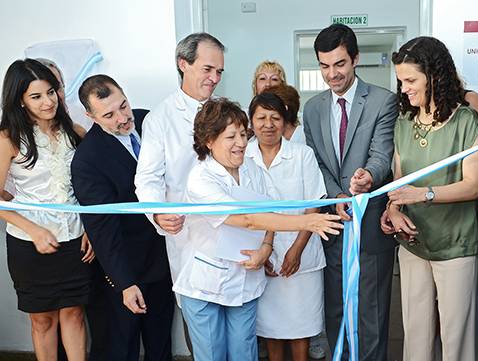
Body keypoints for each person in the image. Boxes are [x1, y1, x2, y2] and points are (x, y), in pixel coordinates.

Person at [173, 97, 343, 361]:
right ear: (209, 141)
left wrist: (266, 247)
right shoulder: (200, 179)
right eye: (231, 137)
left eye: (242, 134)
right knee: (212, 356)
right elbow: (247, 219)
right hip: (207, 284)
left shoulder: (251, 168)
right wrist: (306, 222)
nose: (241, 143)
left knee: (245, 354)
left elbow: (267, 213)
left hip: (245, 281)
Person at [379, 36, 478, 361]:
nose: (405, 88)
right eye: (401, 82)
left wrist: (422, 194)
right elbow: (399, 180)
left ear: (434, 76)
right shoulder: (403, 124)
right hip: (413, 245)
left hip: (455, 246)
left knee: (458, 340)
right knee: (416, 337)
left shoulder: (466, 121)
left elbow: (473, 185)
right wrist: (393, 209)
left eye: (411, 80)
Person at [303, 23, 398, 360]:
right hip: (332, 225)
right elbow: (316, 163)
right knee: (335, 310)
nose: (332, 74)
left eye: (340, 64)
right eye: (325, 65)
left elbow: (382, 155)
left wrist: (366, 179)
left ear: (355, 59)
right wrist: (336, 196)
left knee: (370, 315)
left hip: (369, 224)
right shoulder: (312, 109)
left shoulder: (383, 101)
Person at [71, 75, 174, 361]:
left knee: (160, 343)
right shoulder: (87, 159)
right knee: (121, 348)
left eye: (123, 106)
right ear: (90, 116)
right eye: (109, 114)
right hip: (124, 270)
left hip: (165, 257)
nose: (122, 117)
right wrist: (126, 284)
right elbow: (102, 228)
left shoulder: (148, 121)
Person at [134, 32, 225, 355]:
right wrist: (157, 214)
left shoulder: (226, 113)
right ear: (183, 64)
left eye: (219, 72)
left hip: (232, 232)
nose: (214, 79)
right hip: (188, 238)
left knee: (239, 327)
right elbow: (147, 179)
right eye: (208, 69)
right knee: (202, 332)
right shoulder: (160, 119)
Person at [0, 59, 94, 361]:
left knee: (75, 314)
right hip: (30, 245)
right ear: (20, 101)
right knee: (42, 320)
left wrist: (91, 227)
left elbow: (92, 187)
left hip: (75, 237)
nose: (48, 101)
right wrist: (34, 229)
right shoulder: (8, 138)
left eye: (50, 92)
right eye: (36, 96)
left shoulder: (75, 131)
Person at [245, 93, 326, 361]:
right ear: (251, 121)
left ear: (285, 121)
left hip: (301, 254)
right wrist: (263, 251)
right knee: (270, 330)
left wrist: (296, 250)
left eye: (275, 118)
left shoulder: (302, 155)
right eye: (261, 118)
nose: (268, 124)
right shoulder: (243, 156)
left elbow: (314, 204)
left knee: (300, 329)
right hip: (261, 255)